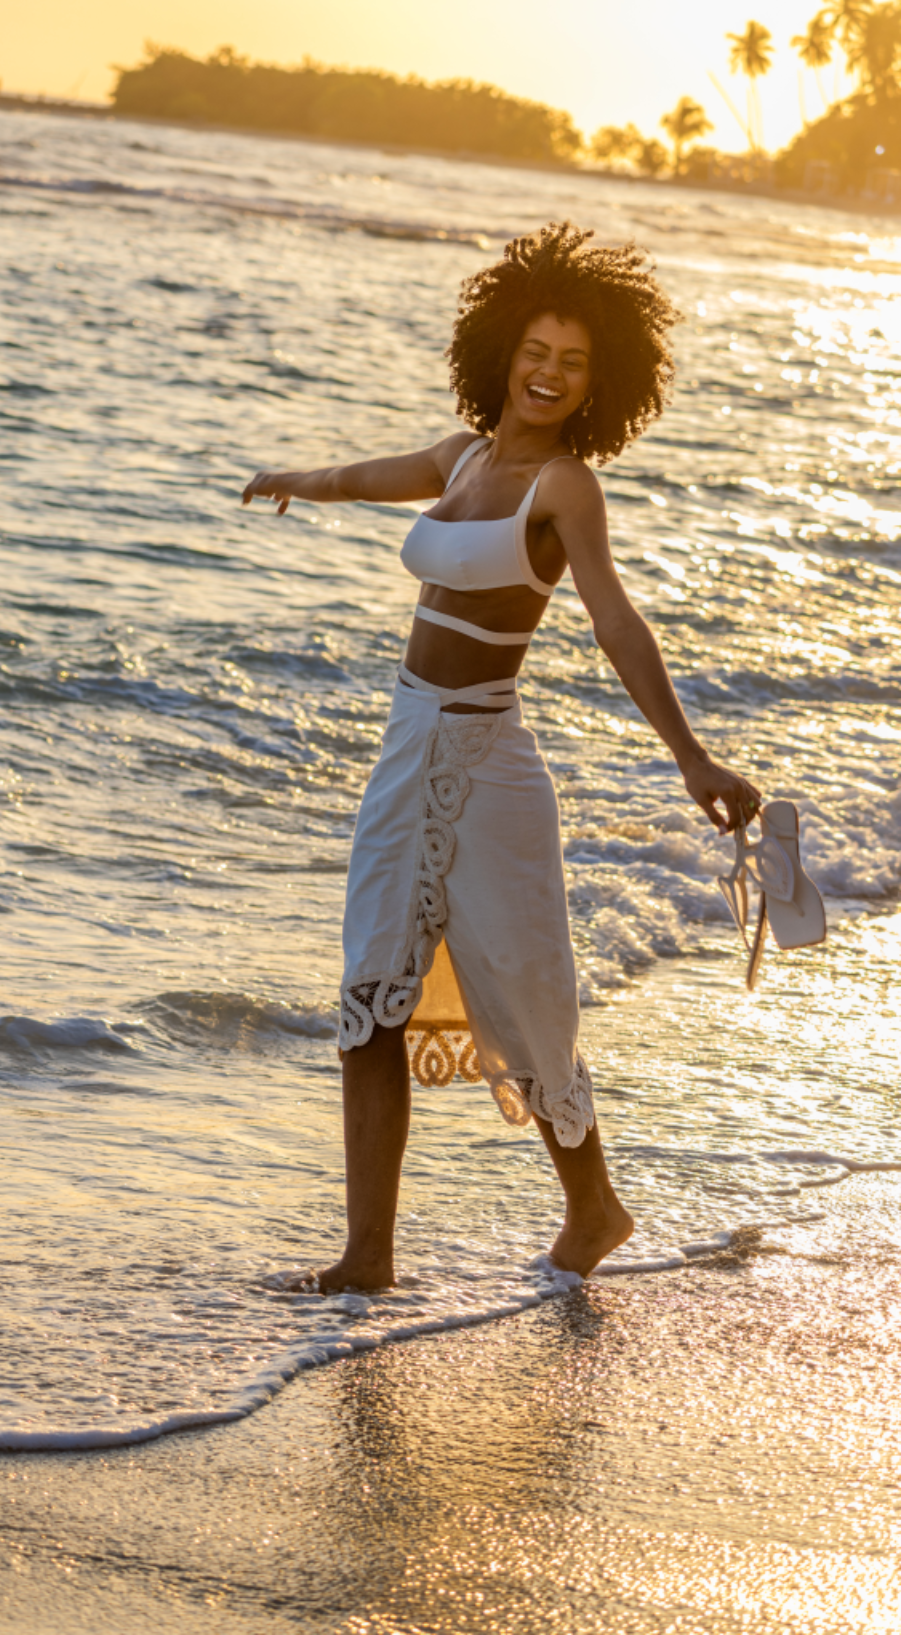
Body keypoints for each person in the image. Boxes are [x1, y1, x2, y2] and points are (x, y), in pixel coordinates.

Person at [242, 222, 760, 1292]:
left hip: (488, 766)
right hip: (406, 746)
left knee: (524, 1001)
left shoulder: (564, 489)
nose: (550, 374)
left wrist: (690, 759)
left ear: (596, 382)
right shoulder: (463, 457)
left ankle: (595, 1208)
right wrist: (295, 475)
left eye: (573, 363)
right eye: (537, 351)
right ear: (502, 351)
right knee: (368, 996)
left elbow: (617, 624)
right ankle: (368, 1254)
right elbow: (363, 474)